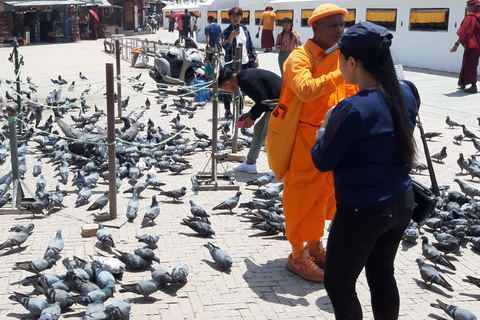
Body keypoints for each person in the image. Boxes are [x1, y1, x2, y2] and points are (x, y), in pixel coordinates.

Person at [311, 21, 420, 320]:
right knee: (381, 274)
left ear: (352, 62)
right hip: (401, 202)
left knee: (339, 283)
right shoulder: (407, 92)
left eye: (340, 59)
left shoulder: (350, 109)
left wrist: (324, 128)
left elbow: (322, 160)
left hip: (363, 210)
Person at [272, 4, 358, 283]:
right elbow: (307, 91)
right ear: (315, 27)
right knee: (301, 196)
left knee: (324, 195)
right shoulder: (298, 58)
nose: (339, 30)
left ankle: (315, 246)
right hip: (304, 139)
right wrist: (342, 72)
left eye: (341, 26)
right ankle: (296, 256)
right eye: (333, 25)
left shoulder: (341, 56)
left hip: (333, 138)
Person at [218, 68, 282, 174]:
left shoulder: (245, 80)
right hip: (272, 104)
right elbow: (262, 99)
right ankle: (250, 164)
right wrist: (251, 113)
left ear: (228, 83)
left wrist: (252, 118)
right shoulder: (243, 78)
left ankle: (279, 169)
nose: (226, 91)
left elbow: (262, 100)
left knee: (268, 136)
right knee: (258, 130)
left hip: (280, 104)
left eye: (224, 89)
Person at [221, 7, 258, 118]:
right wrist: (232, 36)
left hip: (245, 62)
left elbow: (250, 45)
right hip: (231, 63)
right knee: (228, 86)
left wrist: (255, 57)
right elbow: (224, 46)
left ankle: (239, 108)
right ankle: (227, 110)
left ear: (241, 17)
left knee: (243, 86)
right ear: (230, 18)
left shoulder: (245, 29)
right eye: (233, 16)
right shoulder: (226, 31)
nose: (235, 19)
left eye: (237, 16)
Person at [451, 0, 480, 93]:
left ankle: (473, 86)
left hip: (473, 45)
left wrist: (456, 44)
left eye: (467, 6)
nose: (467, 8)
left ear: (472, 6)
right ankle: (462, 83)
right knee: (467, 63)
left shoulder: (472, 17)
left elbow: (464, 33)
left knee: (470, 65)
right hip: (478, 45)